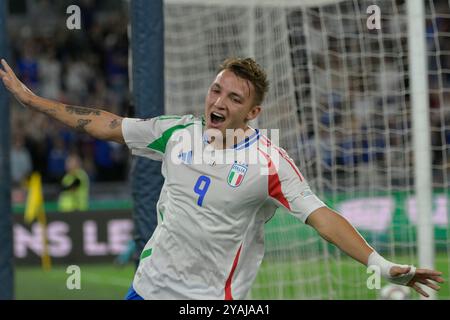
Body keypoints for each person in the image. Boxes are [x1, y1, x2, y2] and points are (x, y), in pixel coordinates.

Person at [1, 57, 444, 300]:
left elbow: (322, 216)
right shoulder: (177, 132)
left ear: (252, 113)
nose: (219, 101)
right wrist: (33, 101)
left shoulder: (269, 162)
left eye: (234, 98)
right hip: (147, 289)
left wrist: (380, 265)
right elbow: (107, 124)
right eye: (217, 90)